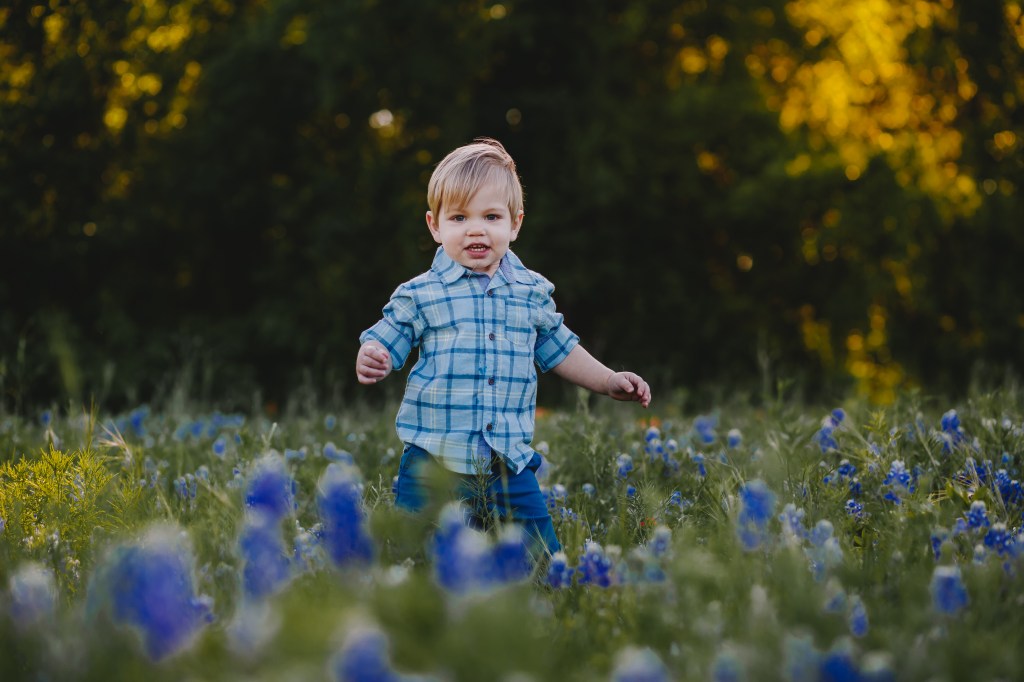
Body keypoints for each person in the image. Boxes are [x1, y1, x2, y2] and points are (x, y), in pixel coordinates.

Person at [355, 137, 651, 557]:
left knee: (544, 563)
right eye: (459, 217)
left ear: (515, 223)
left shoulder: (530, 291)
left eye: (491, 216)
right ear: (435, 226)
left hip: (507, 464)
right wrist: (375, 356)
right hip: (433, 463)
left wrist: (607, 380)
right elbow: (390, 334)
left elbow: (559, 346)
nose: (476, 229)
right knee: (414, 560)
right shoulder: (422, 293)